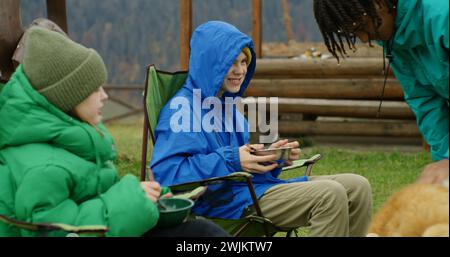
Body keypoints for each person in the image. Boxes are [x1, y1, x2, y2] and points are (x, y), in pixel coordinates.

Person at [0, 27, 228, 237]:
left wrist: (147, 194)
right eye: (94, 89)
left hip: (114, 226)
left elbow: (95, 196)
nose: (104, 96)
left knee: (201, 232)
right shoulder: (43, 167)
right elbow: (57, 230)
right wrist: (132, 201)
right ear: (67, 97)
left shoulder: (75, 140)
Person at [150, 21, 372, 237]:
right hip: (224, 203)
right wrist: (232, 159)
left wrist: (270, 158)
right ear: (211, 64)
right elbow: (168, 174)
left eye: (244, 62)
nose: (240, 71)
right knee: (329, 195)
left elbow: (239, 162)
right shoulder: (181, 110)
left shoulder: (228, 108)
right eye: (231, 63)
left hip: (253, 190)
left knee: (357, 187)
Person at [312, 0, 449, 185]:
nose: (364, 39)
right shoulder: (395, 39)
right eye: (353, 33)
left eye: (362, 26)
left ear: (380, 4)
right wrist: (443, 160)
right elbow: (425, 100)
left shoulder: (442, 15)